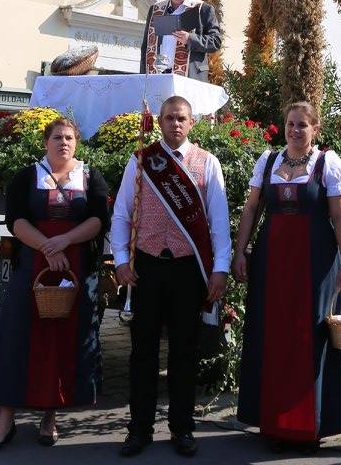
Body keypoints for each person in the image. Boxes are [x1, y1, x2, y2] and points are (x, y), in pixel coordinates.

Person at [233, 101, 341, 451]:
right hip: (272, 260)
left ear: (315, 129)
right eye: (290, 124)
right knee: (272, 334)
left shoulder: (326, 163)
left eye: (302, 125)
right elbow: (251, 209)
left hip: (316, 263)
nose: (295, 130)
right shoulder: (268, 161)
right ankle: (274, 423)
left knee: (311, 337)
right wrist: (240, 251)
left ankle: (308, 425)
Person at [111, 95, 231, 458]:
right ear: (159, 122)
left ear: (192, 123)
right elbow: (121, 213)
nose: (175, 124)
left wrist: (220, 269)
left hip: (187, 270)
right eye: (169, 118)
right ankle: (139, 430)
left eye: (181, 118)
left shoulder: (207, 163)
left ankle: (182, 428)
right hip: (146, 266)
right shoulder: (142, 159)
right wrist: (119, 260)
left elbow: (219, 222)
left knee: (184, 352)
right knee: (142, 352)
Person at [0, 118, 109, 454]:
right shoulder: (26, 176)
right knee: (16, 336)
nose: (63, 142)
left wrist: (64, 240)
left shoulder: (91, 177)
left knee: (60, 339)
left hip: (75, 267)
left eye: (68, 137)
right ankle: (5, 420)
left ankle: (50, 417)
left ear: (76, 142)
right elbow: (16, 219)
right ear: (45, 141)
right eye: (56, 137)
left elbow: (98, 220)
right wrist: (47, 246)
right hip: (33, 267)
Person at [139, 0, 222, 82]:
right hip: (158, 76)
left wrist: (190, 38)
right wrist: (143, 77)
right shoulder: (156, 10)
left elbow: (215, 41)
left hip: (190, 77)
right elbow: (146, 47)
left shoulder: (202, 9)